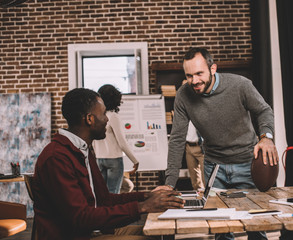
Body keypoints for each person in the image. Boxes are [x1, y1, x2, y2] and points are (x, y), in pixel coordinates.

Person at [32, 88, 184, 240]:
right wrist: (143, 207)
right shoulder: (57, 157)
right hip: (81, 236)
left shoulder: (82, 150)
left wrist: (148, 196)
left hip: (96, 232)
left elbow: (105, 200)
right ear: (89, 119)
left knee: (162, 234)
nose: (106, 119)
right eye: (103, 114)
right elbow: (81, 218)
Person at [164, 47, 279, 240]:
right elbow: (176, 139)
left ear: (213, 68)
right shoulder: (183, 95)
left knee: (255, 226)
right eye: (189, 75)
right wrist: (169, 183)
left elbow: (264, 110)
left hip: (247, 163)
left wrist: (266, 137)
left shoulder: (240, 85)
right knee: (220, 229)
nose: (195, 81)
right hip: (214, 168)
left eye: (199, 73)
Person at [93, 84, 139, 194]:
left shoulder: (95, 117)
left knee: (102, 194)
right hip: (114, 160)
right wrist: (135, 160)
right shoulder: (113, 117)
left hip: (99, 159)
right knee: (113, 193)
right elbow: (122, 142)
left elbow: (93, 141)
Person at [185, 120, 205, 191]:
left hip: (201, 147)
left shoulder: (198, 112)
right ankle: (199, 198)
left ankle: (209, 197)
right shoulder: (184, 115)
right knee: (194, 179)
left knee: (206, 177)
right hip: (188, 146)